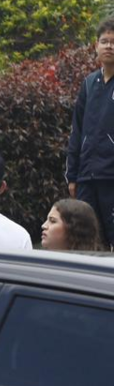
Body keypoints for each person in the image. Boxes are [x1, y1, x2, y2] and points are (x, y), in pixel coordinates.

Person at [66, 17, 114, 248]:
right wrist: (72, 175)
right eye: (104, 41)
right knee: (87, 242)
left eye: (113, 42)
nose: (109, 46)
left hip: (111, 177)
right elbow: (77, 131)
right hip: (86, 177)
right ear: (95, 46)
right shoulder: (89, 83)